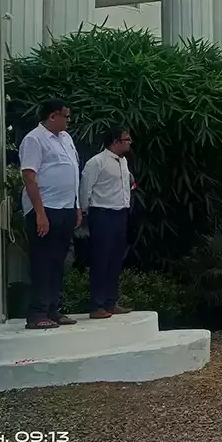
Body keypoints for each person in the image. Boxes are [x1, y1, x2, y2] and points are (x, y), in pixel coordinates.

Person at [19, 99, 82, 330]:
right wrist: (39, 212)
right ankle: (37, 313)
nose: (69, 120)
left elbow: (72, 171)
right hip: (46, 208)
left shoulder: (66, 138)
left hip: (66, 207)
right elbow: (29, 177)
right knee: (42, 261)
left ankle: (53, 309)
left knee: (58, 261)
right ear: (53, 116)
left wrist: (76, 205)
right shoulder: (34, 139)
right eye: (66, 116)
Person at [80, 127, 134, 319]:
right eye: (126, 139)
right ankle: (97, 305)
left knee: (115, 259)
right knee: (101, 259)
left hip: (121, 212)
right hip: (102, 213)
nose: (129, 143)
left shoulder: (123, 161)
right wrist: (83, 211)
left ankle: (111, 302)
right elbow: (85, 188)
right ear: (115, 141)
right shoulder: (97, 162)